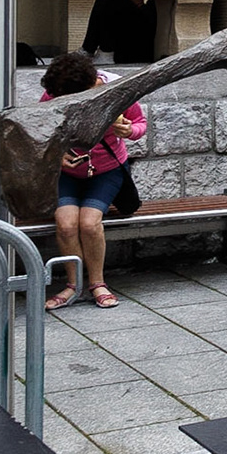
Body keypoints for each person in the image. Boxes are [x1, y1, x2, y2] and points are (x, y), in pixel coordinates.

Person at [39, 52, 146, 309]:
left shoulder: (117, 89)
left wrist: (128, 130)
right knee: (65, 224)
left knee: (89, 223)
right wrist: (57, 154)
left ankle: (98, 284)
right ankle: (71, 286)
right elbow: (41, 130)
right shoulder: (54, 93)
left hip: (107, 170)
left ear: (90, 86)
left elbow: (141, 124)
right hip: (68, 172)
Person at [81, 0, 157, 64]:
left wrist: (140, 5)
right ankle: (88, 51)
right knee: (110, 0)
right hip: (139, 42)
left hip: (143, 48)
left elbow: (155, 19)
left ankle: (105, 52)